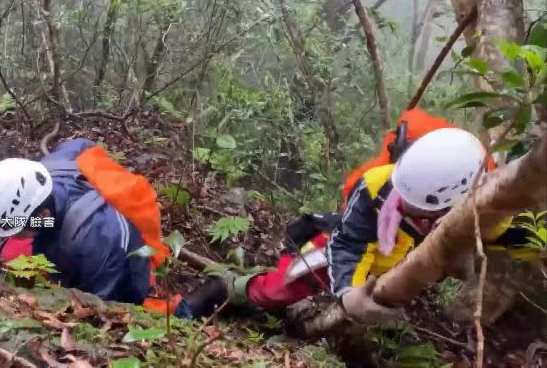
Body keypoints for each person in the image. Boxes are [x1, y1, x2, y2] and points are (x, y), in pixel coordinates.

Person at [185, 126, 529, 323]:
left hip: (396, 272)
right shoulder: (380, 183)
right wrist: (350, 294)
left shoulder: (486, 209)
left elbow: (515, 235)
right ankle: (225, 288)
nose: (403, 204)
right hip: (348, 252)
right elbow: (348, 243)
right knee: (278, 290)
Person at [0, 137, 190, 316]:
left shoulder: (100, 241)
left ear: (42, 215)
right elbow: (80, 145)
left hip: (124, 259)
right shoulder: (47, 170)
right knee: (15, 253)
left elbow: (107, 307)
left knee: (142, 307)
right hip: (71, 220)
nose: (17, 235)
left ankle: (194, 306)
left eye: (18, 230)